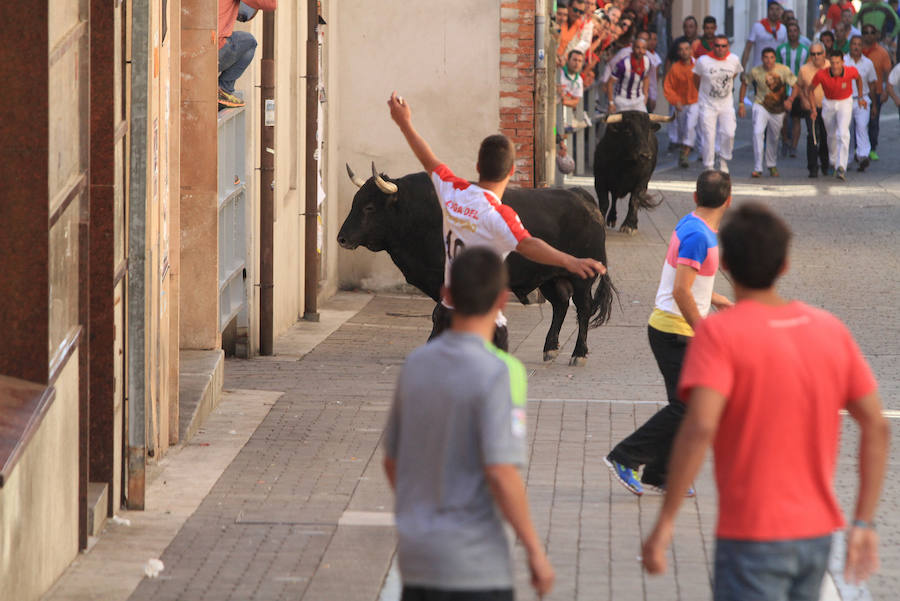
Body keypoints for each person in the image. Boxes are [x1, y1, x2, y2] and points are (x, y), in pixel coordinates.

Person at [642, 202, 889, 601]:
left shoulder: (719, 337)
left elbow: (700, 427)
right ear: (786, 265)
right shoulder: (829, 330)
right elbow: (876, 425)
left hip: (749, 535)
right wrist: (863, 521)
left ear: (726, 268)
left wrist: (665, 523)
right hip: (817, 534)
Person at [384, 247, 556, 601]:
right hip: (474, 563)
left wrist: (419, 511)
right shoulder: (501, 372)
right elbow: (500, 471)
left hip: (417, 557)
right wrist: (535, 551)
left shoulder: (415, 364)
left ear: (447, 296)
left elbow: (392, 461)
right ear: (503, 302)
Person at [386, 92, 605, 348]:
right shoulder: (499, 215)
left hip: (448, 313)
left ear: (478, 166)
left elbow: (427, 158)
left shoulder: (452, 191)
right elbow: (529, 245)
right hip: (484, 322)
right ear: (512, 171)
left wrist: (404, 122)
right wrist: (570, 260)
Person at [605, 171, 733, 497]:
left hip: (675, 328)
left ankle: (660, 474)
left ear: (694, 197)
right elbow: (680, 291)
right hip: (674, 331)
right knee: (685, 406)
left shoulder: (691, 223)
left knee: (686, 405)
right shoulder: (698, 236)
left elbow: (689, 282)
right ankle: (626, 457)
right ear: (729, 201)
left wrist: (716, 300)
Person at [739, 47, 798, 177]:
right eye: (766, 57)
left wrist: (790, 100)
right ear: (762, 59)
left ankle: (771, 164)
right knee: (757, 133)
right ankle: (758, 167)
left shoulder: (783, 70)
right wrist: (741, 103)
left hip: (778, 109)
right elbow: (745, 83)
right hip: (761, 105)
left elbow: (795, 86)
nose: (768, 61)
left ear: (775, 59)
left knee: (774, 137)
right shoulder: (756, 71)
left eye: (771, 57)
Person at [808, 49, 866, 180]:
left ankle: (841, 167)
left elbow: (858, 79)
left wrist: (861, 96)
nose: (835, 66)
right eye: (832, 63)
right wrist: (813, 108)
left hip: (845, 101)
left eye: (837, 63)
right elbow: (810, 90)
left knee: (843, 133)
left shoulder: (851, 71)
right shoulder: (821, 74)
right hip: (828, 103)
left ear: (843, 62)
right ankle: (833, 161)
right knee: (831, 135)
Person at [694, 35, 743, 172]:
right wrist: (703, 93)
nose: (720, 49)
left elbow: (734, 74)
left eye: (723, 46)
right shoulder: (703, 61)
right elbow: (696, 78)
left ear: (728, 47)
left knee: (729, 132)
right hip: (707, 104)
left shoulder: (734, 60)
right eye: (717, 45)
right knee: (708, 135)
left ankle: (723, 159)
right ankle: (708, 165)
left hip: (726, 103)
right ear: (713, 46)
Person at [217, 0, 277, 109]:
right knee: (249, 42)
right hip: (214, 50)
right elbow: (270, 4)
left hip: (188, 51)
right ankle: (223, 89)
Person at [843, 36, 878, 171]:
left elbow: (872, 84)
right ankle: (848, 158)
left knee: (862, 126)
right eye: (854, 44)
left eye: (859, 44)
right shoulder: (844, 61)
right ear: (850, 46)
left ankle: (863, 156)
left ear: (862, 46)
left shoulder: (868, 63)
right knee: (847, 129)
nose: (856, 47)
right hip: (846, 100)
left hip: (862, 99)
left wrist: (874, 104)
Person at [664, 40, 700, 168]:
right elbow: (668, 87)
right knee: (683, 129)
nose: (684, 52)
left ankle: (685, 154)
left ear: (691, 50)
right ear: (678, 52)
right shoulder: (675, 68)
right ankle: (684, 149)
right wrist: (675, 101)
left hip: (696, 102)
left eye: (687, 48)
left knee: (690, 126)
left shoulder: (698, 65)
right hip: (681, 104)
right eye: (681, 49)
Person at [776, 22, 810, 156]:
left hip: (799, 88)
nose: (792, 33)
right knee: (783, 117)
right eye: (790, 31)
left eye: (795, 30)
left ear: (799, 32)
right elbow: (777, 68)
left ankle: (794, 147)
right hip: (784, 88)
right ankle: (785, 140)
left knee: (796, 118)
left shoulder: (805, 50)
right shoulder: (781, 49)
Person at [797, 42, 831, 177]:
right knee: (812, 136)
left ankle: (825, 163)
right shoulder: (804, 69)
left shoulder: (831, 66)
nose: (816, 57)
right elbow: (798, 86)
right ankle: (812, 167)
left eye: (818, 53)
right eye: (813, 54)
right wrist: (803, 100)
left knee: (825, 136)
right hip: (811, 107)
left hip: (828, 106)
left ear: (824, 54)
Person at [861, 24, 892, 160]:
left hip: (877, 91)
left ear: (876, 35)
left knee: (873, 121)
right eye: (866, 32)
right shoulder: (857, 49)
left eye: (871, 32)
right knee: (860, 122)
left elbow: (888, 73)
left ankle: (872, 148)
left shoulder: (882, 52)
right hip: (860, 93)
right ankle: (860, 147)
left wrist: (886, 91)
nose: (869, 35)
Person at [607, 37, 652, 112]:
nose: (640, 51)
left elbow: (646, 77)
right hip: (622, 101)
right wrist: (611, 103)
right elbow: (610, 83)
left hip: (638, 100)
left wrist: (646, 94)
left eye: (643, 48)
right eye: (638, 48)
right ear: (633, 48)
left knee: (644, 122)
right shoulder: (622, 64)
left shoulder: (647, 61)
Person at [741, 1, 787, 71]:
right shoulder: (757, 26)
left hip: (776, 71)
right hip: (758, 70)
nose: (774, 12)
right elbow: (748, 48)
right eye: (771, 9)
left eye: (777, 9)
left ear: (780, 12)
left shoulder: (783, 29)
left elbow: (785, 51)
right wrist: (743, 69)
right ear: (767, 11)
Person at [559, 50, 594, 131]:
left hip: (563, 115)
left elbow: (575, 102)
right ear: (568, 60)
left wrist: (562, 100)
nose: (577, 63)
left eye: (579, 61)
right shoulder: (559, 71)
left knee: (559, 135)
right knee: (553, 132)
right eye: (574, 60)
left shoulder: (579, 80)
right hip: (551, 111)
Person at [558, 0, 594, 65]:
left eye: (581, 12)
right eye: (575, 10)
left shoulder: (578, 25)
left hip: (560, 61)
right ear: (568, 7)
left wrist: (563, 58)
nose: (577, 14)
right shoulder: (560, 19)